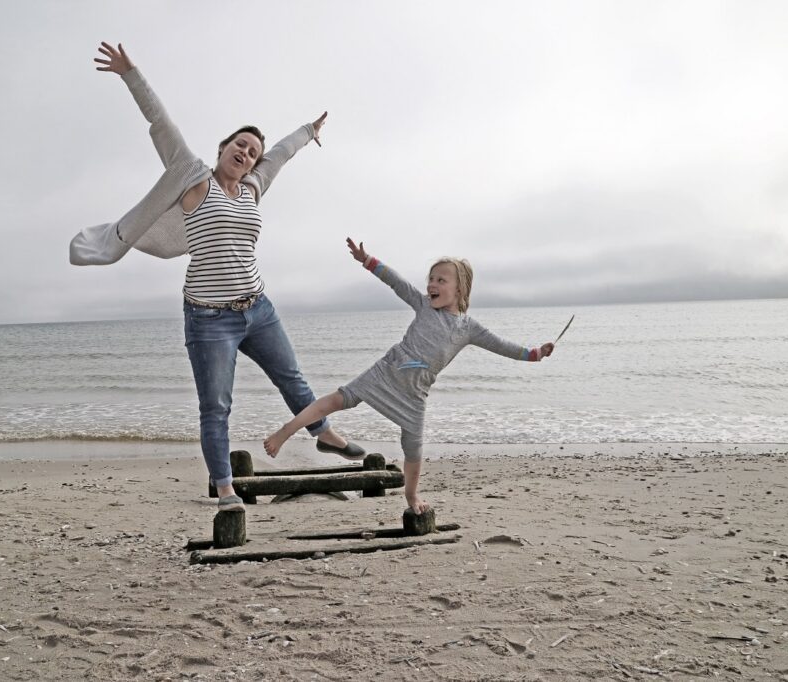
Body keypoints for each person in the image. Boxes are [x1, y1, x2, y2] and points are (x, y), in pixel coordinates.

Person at [70, 42, 364, 512]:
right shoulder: (192, 178)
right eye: (238, 146)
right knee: (216, 408)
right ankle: (226, 489)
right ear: (222, 148)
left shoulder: (252, 188)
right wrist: (131, 74)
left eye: (252, 152)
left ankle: (323, 432)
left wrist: (309, 131)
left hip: (258, 309)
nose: (246, 154)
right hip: (209, 319)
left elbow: (282, 155)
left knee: (292, 380)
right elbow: (161, 125)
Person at [264, 238, 555, 514]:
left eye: (441, 280)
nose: (432, 284)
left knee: (413, 447)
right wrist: (368, 260)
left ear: (460, 289)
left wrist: (534, 354)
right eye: (431, 278)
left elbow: (502, 346)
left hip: (415, 394)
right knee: (336, 400)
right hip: (385, 373)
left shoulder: (469, 329)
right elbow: (396, 283)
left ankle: (411, 494)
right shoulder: (424, 305)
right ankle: (285, 432)